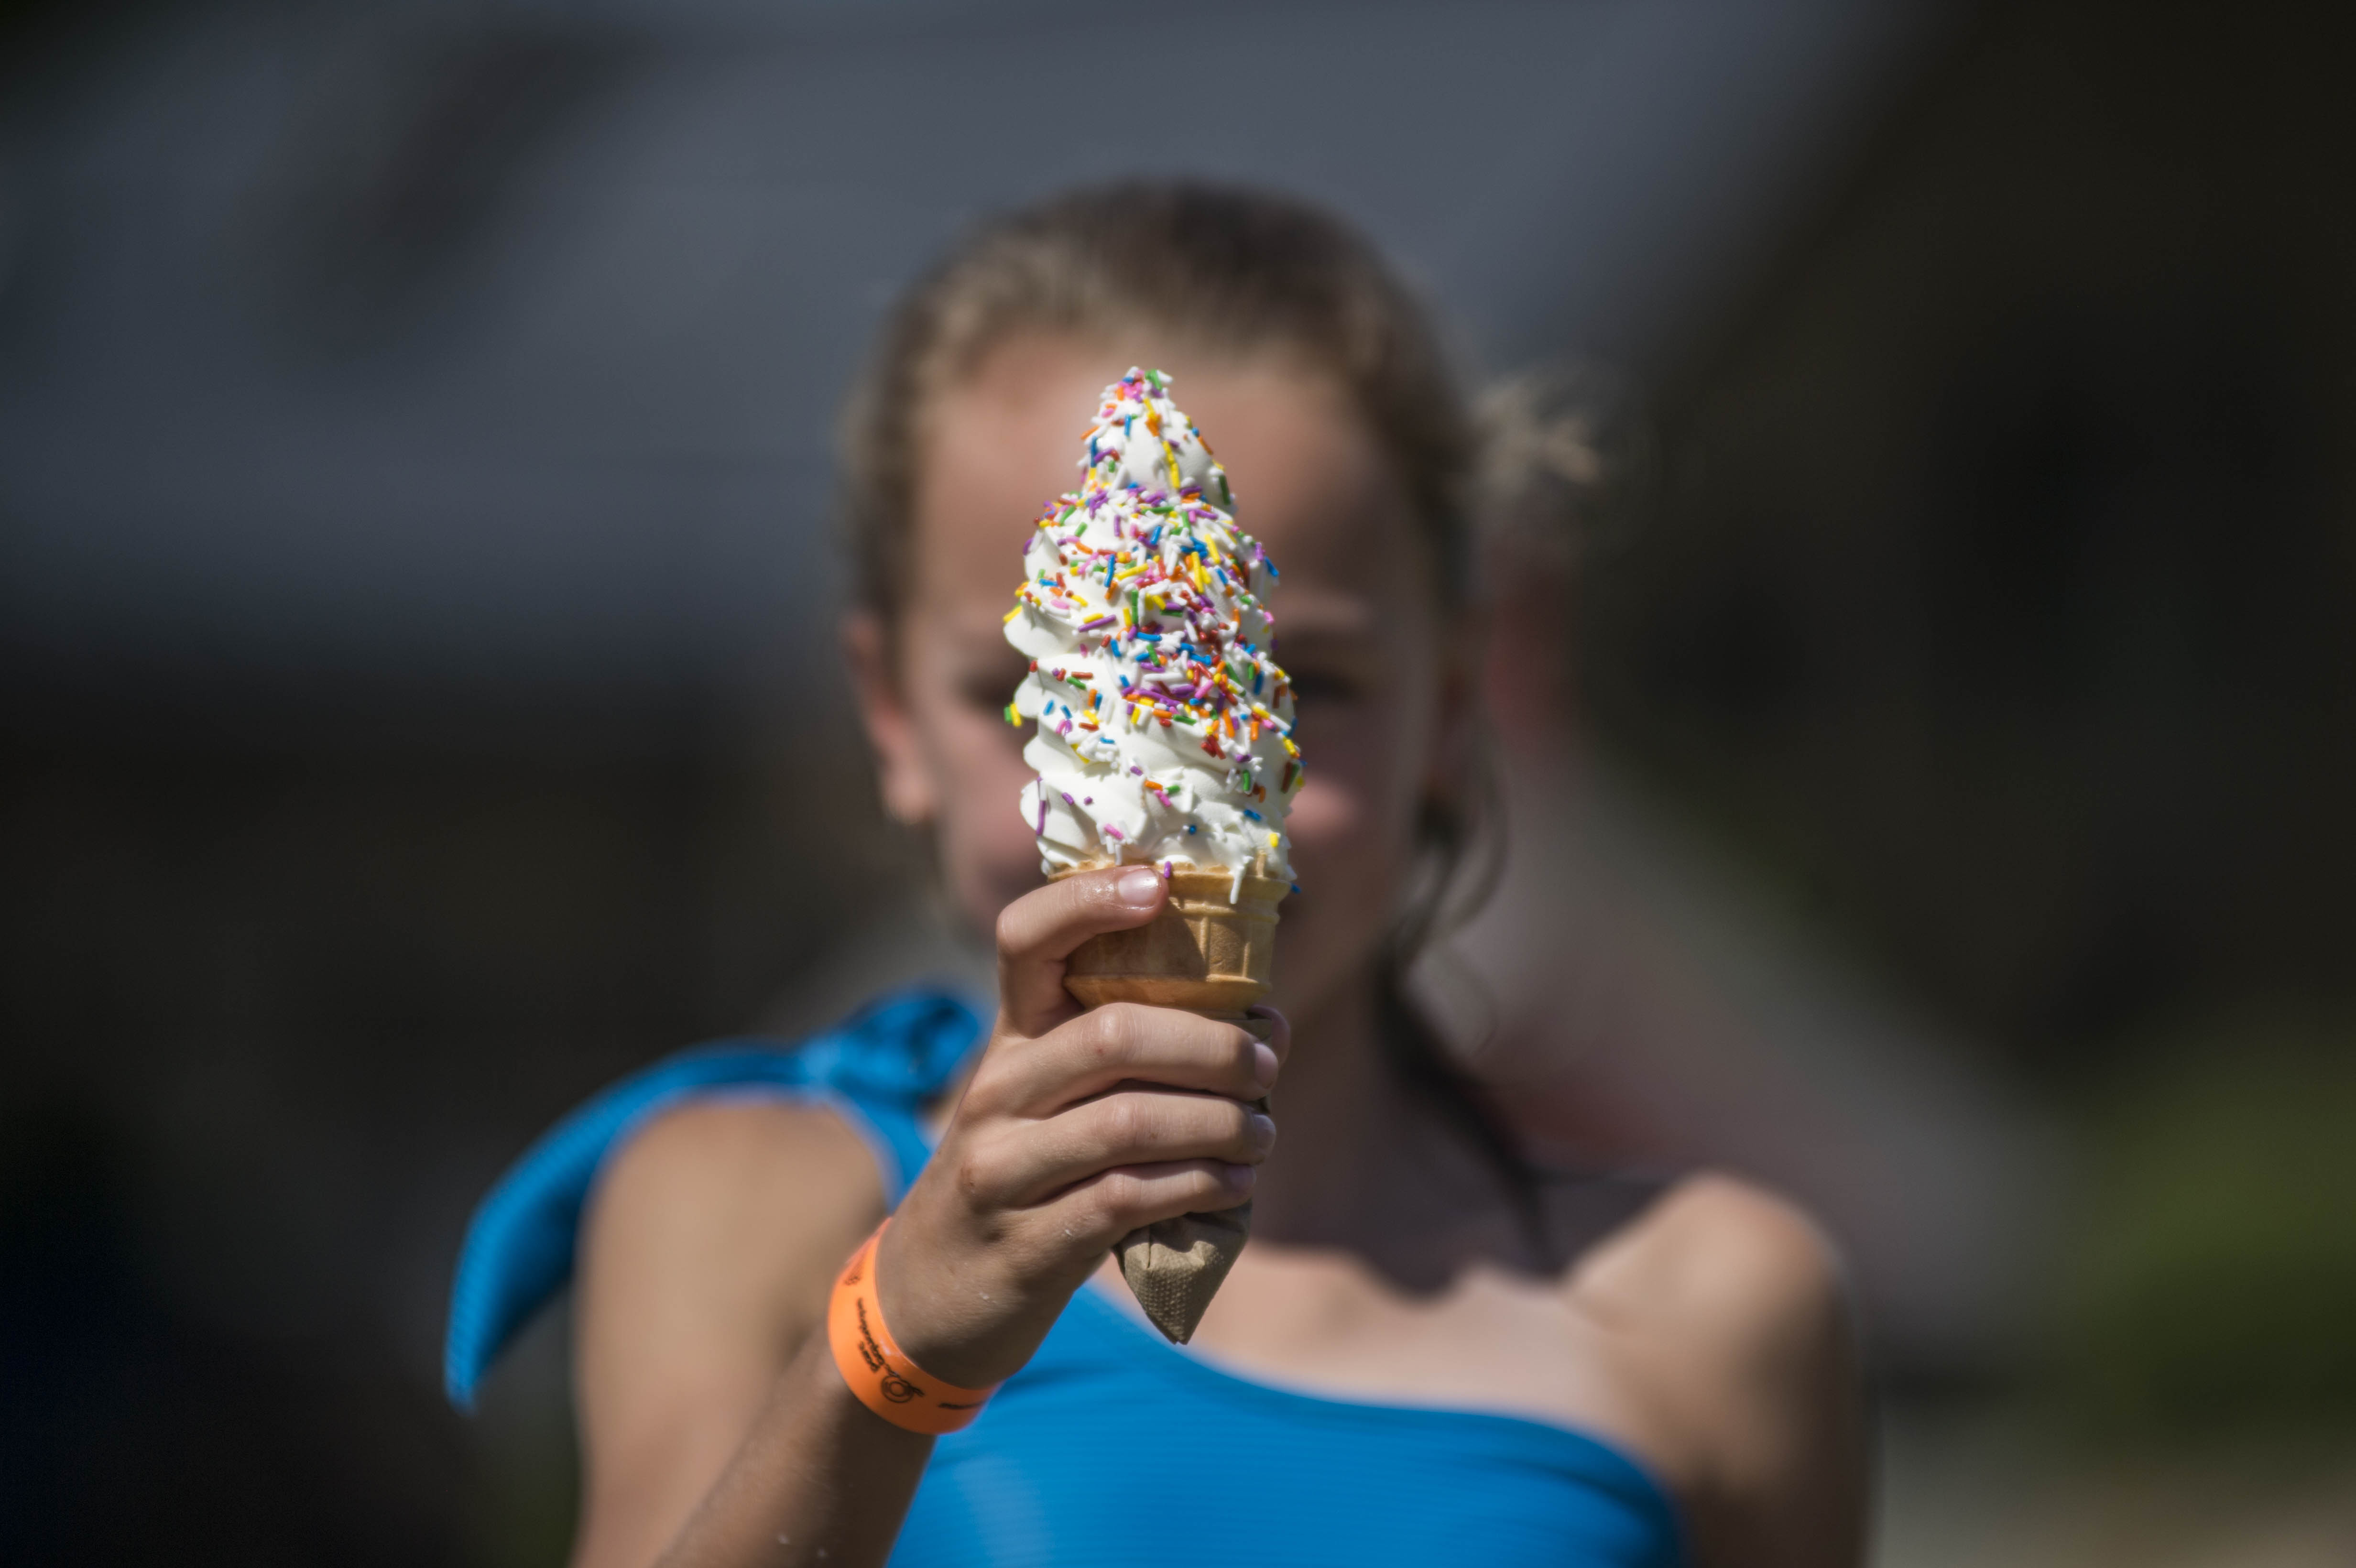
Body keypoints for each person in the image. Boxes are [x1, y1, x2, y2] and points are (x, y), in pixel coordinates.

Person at [444, 181, 1866, 1568]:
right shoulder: (748, 1203)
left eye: (1295, 679)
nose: (1165, 806)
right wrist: (892, 1353)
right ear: (890, 718)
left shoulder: (1714, 1307)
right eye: (1043, 697)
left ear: (1455, 693)